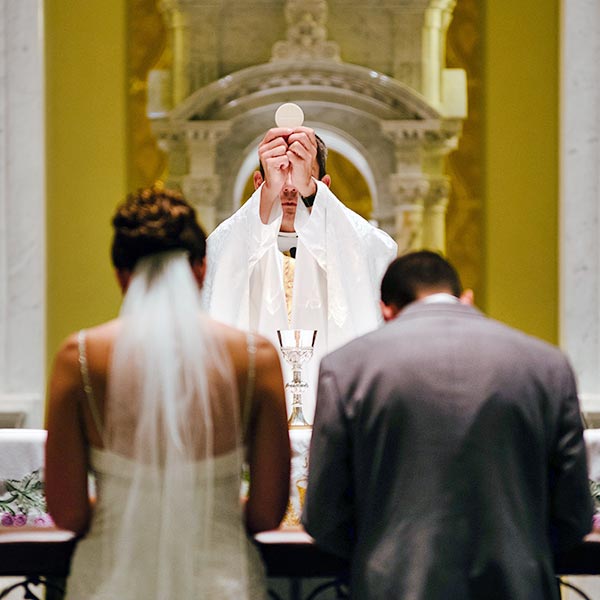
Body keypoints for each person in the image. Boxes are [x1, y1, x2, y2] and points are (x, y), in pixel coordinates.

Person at [302, 250, 594, 600]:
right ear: (466, 298)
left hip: (394, 586)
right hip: (515, 586)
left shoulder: (346, 366)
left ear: (386, 310)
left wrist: (378, 556)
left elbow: (325, 516)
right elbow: (574, 514)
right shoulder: (547, 365)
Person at [45, 186, 290, 599]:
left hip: (111, 579)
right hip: (219, 579)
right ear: (201, 268)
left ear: (121, 274)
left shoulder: (80, 357)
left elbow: (67, 513)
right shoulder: (255, 357)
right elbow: (267, 514)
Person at [203, 126, 398, 423]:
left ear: (324, 186)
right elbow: (221, 258)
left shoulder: (348, 241)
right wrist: (271, 190)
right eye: (280, 176)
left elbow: (375, 250)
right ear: (259, 182)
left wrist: (311, 193)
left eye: (300, 178)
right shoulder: (237, 242)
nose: (290, 188)